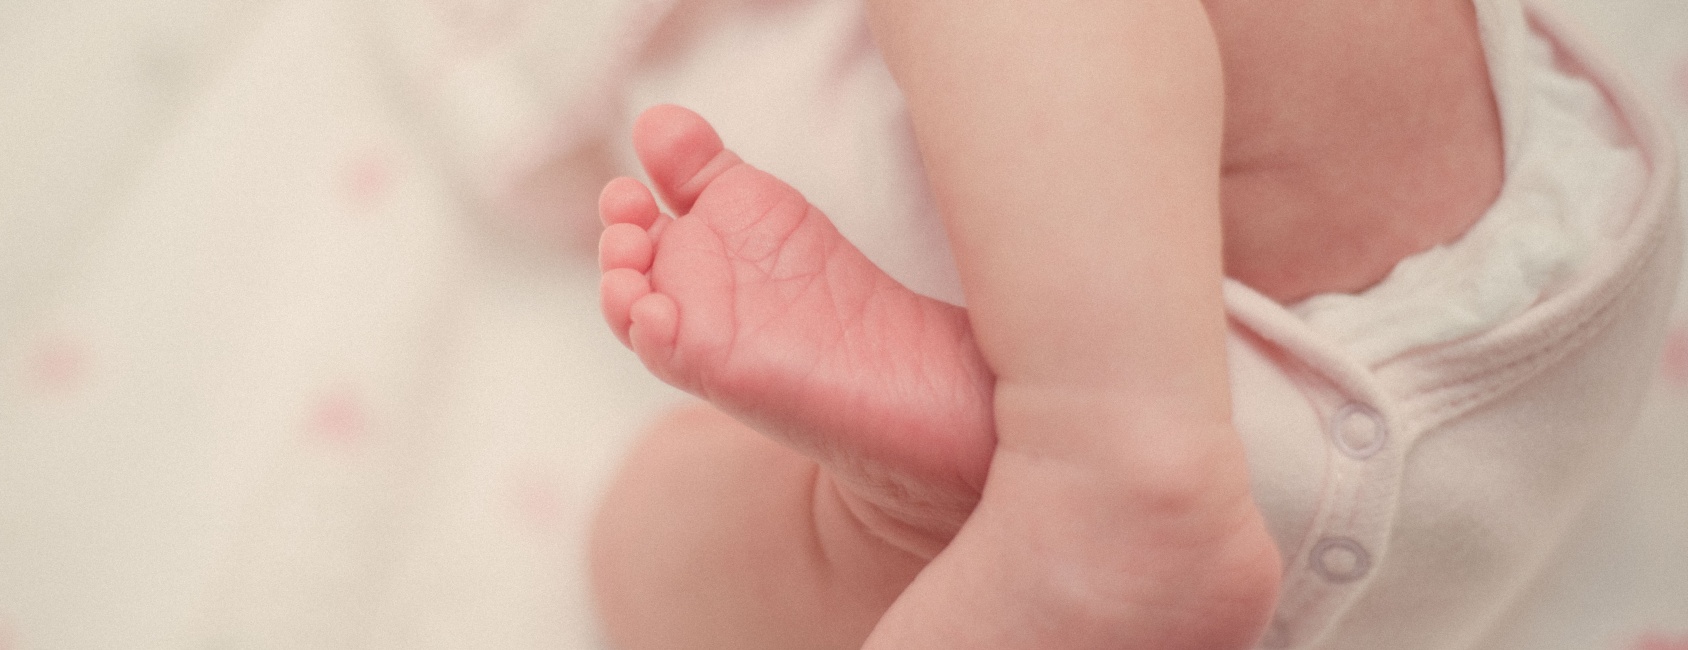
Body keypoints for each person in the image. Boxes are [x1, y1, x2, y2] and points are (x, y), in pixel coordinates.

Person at [588, 0, 1681, 646]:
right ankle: (980, 494)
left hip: (1335, 213)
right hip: (1075, 521)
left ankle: (1085, 458)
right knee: (639, 541)